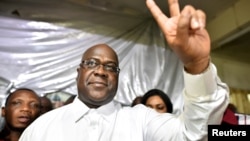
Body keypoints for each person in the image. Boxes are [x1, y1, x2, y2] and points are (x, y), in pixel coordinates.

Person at [19, 0, 229, 140]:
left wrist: (196, 63)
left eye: (110, 67)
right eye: (92, 63)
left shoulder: (142, 120)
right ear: (78, 72)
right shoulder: (40, 130)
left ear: (117, 77)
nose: (101, 71)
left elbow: (193, 134)